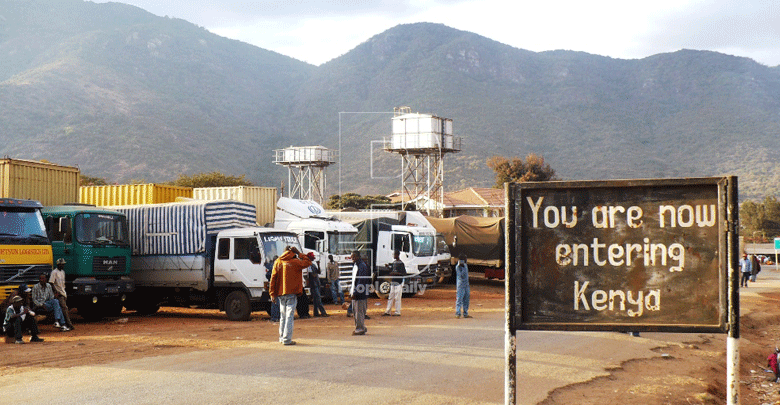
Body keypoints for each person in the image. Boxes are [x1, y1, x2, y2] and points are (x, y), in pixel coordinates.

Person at [268, 246, 311, 346]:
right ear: (292, 252)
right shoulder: (296, 262)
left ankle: (282, 337)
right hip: (292, 293)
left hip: (280, 293)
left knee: (283, 316)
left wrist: (272, 293)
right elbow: (308, 262)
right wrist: (299, 253)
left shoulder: (278, 261)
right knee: (289, 316)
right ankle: (287, 339)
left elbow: (273, 279)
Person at [349, 250, 371, 335]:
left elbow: (361, 281)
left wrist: (356, 292)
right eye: (351, 257)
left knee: (359, 312)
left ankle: (360, 328)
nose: (352, 258)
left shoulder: (361, 266)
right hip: (358, 292)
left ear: (358, 256)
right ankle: (361, 327)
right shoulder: (356, 265)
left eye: (354, 256)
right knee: (356, 311)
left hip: (360, 293)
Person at [50, 258, 75, 330]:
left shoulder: (63, 272)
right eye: (61, 264)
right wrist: (56, 292)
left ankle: (63, 324)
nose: (63, 265)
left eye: (63, 264)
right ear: (58, 264)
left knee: (62, 309)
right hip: (59, 293)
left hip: (63, 292)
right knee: (64, 308)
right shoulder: (54, 272)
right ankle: (69, 324)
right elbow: (51, 283)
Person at [383, 250, 406, 316]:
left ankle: (397, 312)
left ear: (397, 255)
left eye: (394, 254)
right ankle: (388, 311)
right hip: (393, 282)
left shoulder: (401, 263)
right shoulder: (394, 262)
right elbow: (392, 270)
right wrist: (388, 268)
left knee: (397, 298)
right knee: (390, 297)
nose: (393, 256)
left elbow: (404, 273)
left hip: (399, 282)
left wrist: (395, 273)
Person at [307, 252, 328, 317]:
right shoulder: (308, 265)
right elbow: (312, 275)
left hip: (317, 283)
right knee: (318, 298)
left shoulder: (313, 265)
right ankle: (323, 312)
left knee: (316, 299)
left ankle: (316, 313)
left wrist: (318, 265)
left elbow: (318, 272)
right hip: (313, 284)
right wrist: (315, 274)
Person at [455, 253, 471, 318]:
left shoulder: (465, 265)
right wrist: (462, 267)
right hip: (461, 285)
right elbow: (461, 276)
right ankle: (458, 313)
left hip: (466, 284)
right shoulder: (458, 267)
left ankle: (465, 313)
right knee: (459, 299)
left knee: (466, 299)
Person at [266, 255, 280, 323]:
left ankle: (274, 318)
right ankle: (279, 317)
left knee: (274, 303)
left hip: (274, 287)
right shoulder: (281, 266)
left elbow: (268, 275)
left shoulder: (273, 266)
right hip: (280, 287)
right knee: (279, 303)